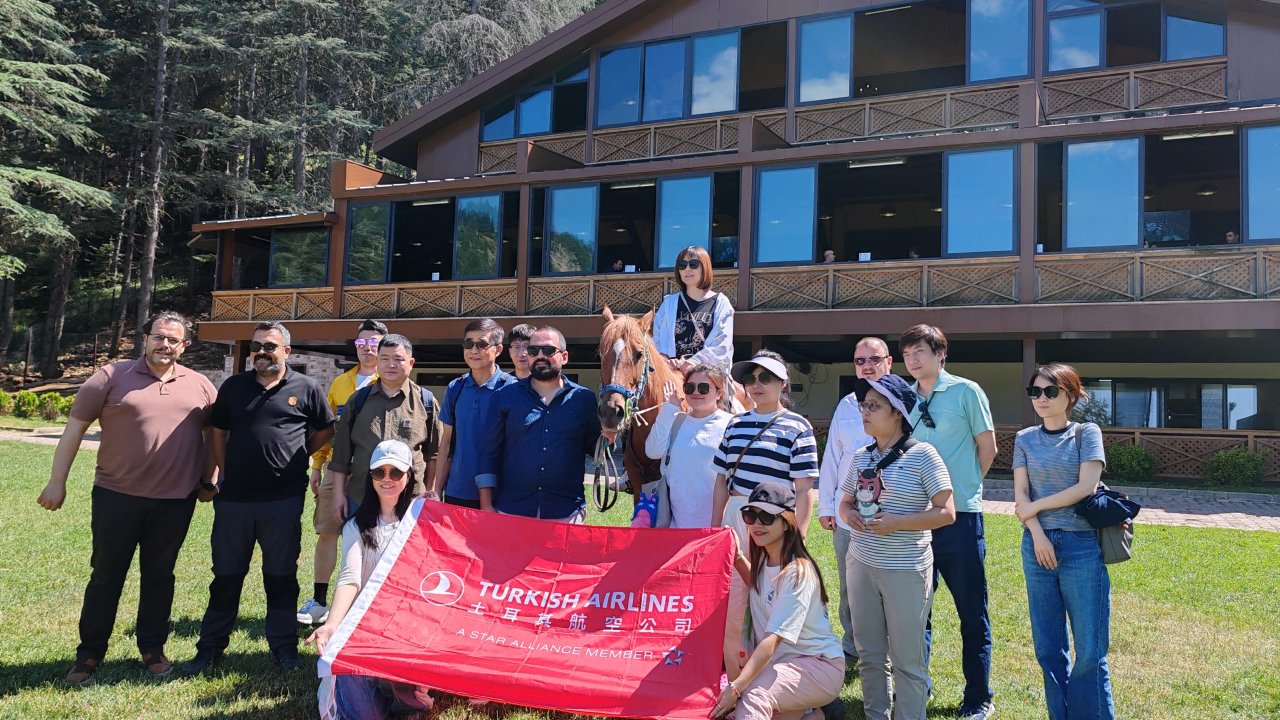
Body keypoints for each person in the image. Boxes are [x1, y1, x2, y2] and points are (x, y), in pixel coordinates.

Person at [38, 311, 217, 683]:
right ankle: (89, 655)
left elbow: (215, 436)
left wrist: (209, 479)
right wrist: (58, 482)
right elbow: (73, 430)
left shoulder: (201, 385)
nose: (164, 344)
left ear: (184, 346)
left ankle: (152, 650)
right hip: (116, 496)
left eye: (173, 339)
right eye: (158, 337)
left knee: (159, 575)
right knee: (106, 575)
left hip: (174, 501)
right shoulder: (110, 376)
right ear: (146, 338)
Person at [186, 321, 335, 673]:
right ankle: (209, 649)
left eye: (270, 346)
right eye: (256, 346)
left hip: (282, 500)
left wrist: (299, 454)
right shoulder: (235, 386)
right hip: (234, 499)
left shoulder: (306, 387)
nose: (261, 352)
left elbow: (326, 428)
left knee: (281, 576)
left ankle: (283, 649)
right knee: (226, 575)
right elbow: (218, 432)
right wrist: (223, 473)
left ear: (287, 351)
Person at [838, 374, 955, 720]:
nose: (865, 412)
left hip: (905, 569)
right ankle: (877, 714)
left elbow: (946, 512)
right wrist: (849, 516)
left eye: (875, 405)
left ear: (899, 413)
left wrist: (897, 523)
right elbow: (845, 502)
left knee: (907, 660)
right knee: (869, 653)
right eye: (864, 405)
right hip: (861, 564)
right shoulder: (862, 456)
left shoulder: (924, 456)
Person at [900, 324, 997, 720]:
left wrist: (965, 488)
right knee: (916, 611)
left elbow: (986, 447)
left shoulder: (966, 391)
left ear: (941, 353)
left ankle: (978, 697)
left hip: (961, 518)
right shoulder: (903, 397)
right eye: (906, 354)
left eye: (919, 351)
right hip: (914, 518)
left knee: (971, 612)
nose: (913, 359)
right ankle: (917, 689)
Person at [1013, 363, 1115, 720]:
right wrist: (1038, 535)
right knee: (1048, 647)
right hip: (1036, 545)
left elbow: (1085, 487)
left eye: (1049, 391)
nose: (1041, 398)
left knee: (1090, 649)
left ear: (1070, 395)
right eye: (1035, 392)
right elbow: (1020, 494)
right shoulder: (1024, 438)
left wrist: (1035, 507)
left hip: (1081, 545)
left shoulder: (1086, 433)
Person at [712, 350, 820, 677]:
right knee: (733, 602)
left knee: (771, 602)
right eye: (750, 378)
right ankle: (734, 680)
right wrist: (715, 527)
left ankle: (774, 683)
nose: (756, 385)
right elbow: (721, 481)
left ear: (783, 382)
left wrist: (797, 537)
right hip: (735, 517)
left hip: (774, 521)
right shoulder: (735, 424)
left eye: (766, 378)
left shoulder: (798, 427)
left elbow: (804, 490)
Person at [308, 440, 433, 720]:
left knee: (410, 704)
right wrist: (331, 625)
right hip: (365, 629)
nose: (387, 479)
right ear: (371, 477)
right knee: (365, 715)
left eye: (395, 473)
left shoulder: (420, 522)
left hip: (405, 628)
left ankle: (403, 694)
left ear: (408, 477)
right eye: (380, 472)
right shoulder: (356, 525)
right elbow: (350, 578)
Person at [709, 482, 846, 720]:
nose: (757, 524)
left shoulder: (797, 572)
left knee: (752, 696)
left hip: (819, 666)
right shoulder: (765, 560)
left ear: (786, 522)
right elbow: (760, 588)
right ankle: (820, 715)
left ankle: (816, 707)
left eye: (767, 517)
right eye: (750, 515)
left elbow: (772, 639)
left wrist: (737, 686)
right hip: (783, 667)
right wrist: (738, 555)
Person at [298, 319, 386, 626]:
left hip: (372, 474)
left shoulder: (387, 380)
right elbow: (329, 429)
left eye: (373, 344)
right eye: (361, 344)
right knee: (327, 532)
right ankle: (319, 601)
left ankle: (363, 604)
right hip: (336, 469)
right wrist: (317, 466)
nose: (366, 349)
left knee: (369, 537)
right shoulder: (341, 383)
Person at [817, 336, 892, 664]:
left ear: (888, 362)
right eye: (860, 361)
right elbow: (832, 458)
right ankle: (852, 647)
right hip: (848, 514)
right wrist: (826, 507)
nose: (867, 366)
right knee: (850, 586)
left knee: (887, 587)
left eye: (874, 359)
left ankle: (889, 649)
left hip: (891, 515)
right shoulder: (846, 405)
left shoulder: (903, 402)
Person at [476, 326, 600, 522]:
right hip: (511, 510)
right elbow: (488, 452)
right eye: (534, 351)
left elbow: (597, 449)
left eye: (549, 351)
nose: (540, 356)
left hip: (566, 511)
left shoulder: (584, 399)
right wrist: (486, 505)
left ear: (564, 357)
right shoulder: (504, 397)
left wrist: (613, 431)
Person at [329, 334, 440, 515]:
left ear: (411, 363)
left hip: (411, 502)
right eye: (385, 359)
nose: (391, 364)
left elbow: (434, 455)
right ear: (377, 362)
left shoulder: (426, 401)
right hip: (361, 497)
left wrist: (430, 492)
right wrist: (338, 496)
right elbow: (341, 454)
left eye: (398, 359)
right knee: (361, 544)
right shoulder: (358, 400)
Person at [432, 318, 516, 509]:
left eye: (482, 344)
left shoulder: (513, 389)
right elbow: (445, 442)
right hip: (457, 490)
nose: (474, 350)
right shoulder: (456, 387)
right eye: (468, 343)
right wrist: (437, 489)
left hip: (501, 493)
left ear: (498, 349)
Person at [643, 364, 733, 529]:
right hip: (675, 526)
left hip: (717, 526)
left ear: (719, 393)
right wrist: (668, 409)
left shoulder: (732, 425)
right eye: (690, 387)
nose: (696, 393)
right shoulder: (675, 420)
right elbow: (652, 452)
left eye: (704, 388)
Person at [653, 246, 735, 374]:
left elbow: (722, 344)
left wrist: (694, 362)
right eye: (682, 265)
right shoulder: (669, 304)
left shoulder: (721, 303)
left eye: (694, 264)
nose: (687, 269)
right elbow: (656, 339)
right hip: (673, 375)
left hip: (706, 376)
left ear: (705, 267)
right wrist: (664, 359)